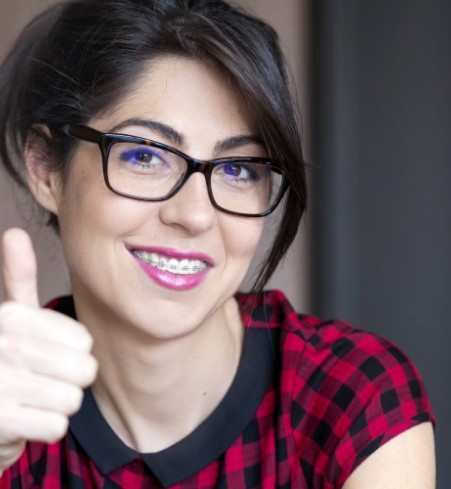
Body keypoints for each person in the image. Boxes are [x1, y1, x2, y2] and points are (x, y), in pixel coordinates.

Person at [0, 0, 435, 487]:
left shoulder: (352, 397)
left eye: (238, 169)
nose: (194, 215)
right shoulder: (12, 411)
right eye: (145, 155)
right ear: (45, 168)